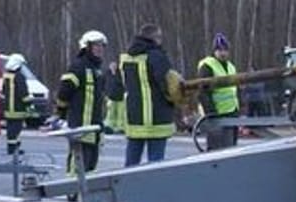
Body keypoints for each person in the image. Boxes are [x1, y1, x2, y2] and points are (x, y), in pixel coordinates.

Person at [119, 23, 185, 166]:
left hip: (134, 117)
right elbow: (167, 85)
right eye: (159, 37)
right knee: (155, 165)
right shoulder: (157, 56)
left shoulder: (127, 58)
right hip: (156, 117)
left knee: (131, 162)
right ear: (154, 38)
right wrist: (176, 100)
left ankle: (127, 187)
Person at [55, 31, 115, 175]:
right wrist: (61, 114)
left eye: (102, 46)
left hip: (94, 127)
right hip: (80, 127)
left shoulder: (97, 70)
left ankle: (85, 195)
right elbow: (64, 93)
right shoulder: (78, 67)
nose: (100, 49)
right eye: (96, 45)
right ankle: (72, 191)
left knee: (90, 166)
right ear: (86, 47)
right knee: (77, 164)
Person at [196, 32, 240, 150]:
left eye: (225, 50)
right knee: (216, 150)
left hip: (232, 111)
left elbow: (236, 89)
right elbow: (203, 92)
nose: (223, 53)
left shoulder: (231, 66)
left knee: (231, 148)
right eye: (219, 50)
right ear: (214, 51)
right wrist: (210, 113)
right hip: (216, 113)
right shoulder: (207, 66)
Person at [0, 54, 34, 157]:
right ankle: (13, 149)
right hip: (18, 109)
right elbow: (24, 93)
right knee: (16, 129)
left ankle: (14, 148)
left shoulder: (7, 76)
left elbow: (4, 92)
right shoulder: (19, 77)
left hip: (8, 109)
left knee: (11, 129)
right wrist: (29, 104)